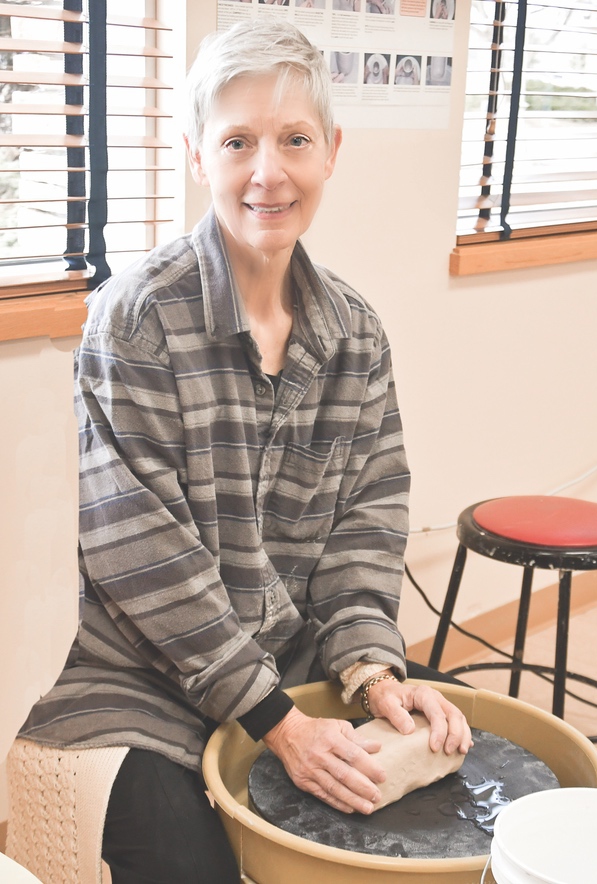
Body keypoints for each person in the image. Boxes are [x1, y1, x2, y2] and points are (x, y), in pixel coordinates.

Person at [17, 19, 471, 883]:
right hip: (140, 685)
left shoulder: (356, 335)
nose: (268, 172)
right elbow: (136, 551)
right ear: (198, 155)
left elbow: (366, 531)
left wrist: (375, 676)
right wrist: (277, 722)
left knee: (449, 788)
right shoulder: (135, 317)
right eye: (237, 142)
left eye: (294, 139)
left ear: (330, 151)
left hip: (302, 664)